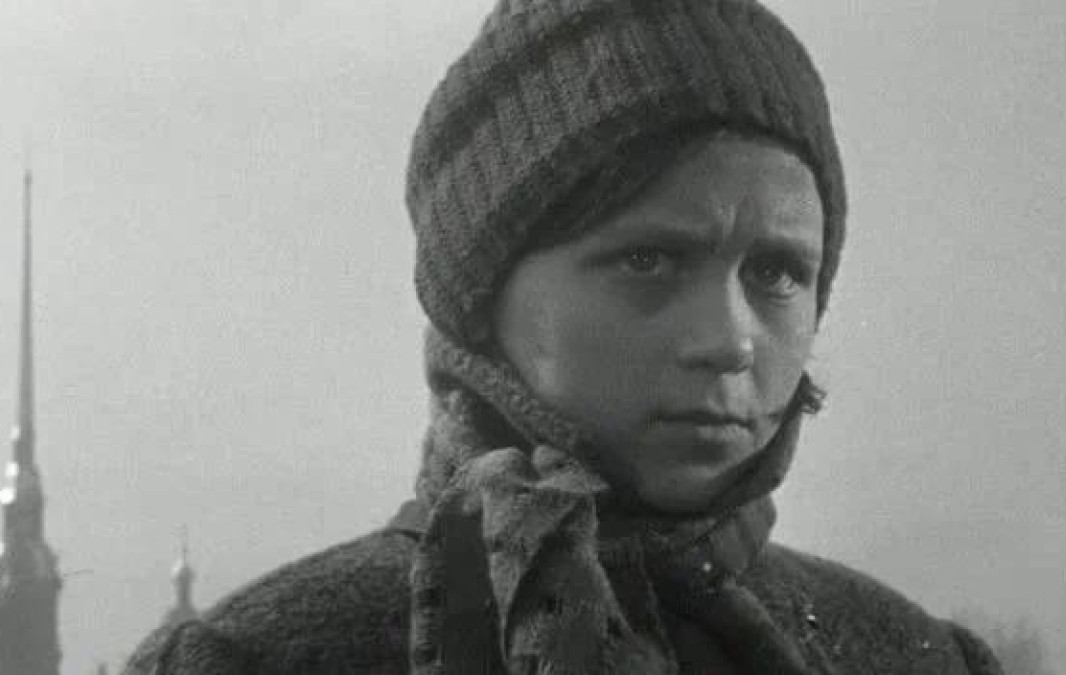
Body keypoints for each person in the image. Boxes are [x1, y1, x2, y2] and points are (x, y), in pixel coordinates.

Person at [124, 0, 1005, 673]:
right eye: (649, 259)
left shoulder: (912, 656)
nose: (730, 341)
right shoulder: (256, 661)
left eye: (776, 272)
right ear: (484, 295)